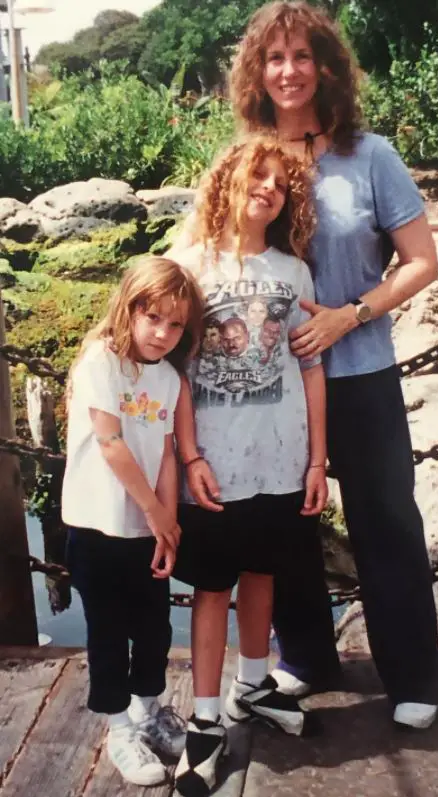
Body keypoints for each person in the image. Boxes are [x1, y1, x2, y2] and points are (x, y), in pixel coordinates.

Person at [229, 0, 438, 729]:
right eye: (274, 58)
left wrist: (350, 313)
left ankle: (413, 675)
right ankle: (307, 659)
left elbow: (422, 263)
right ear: (258, 72)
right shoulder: (249, 160)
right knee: (288, 528)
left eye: (301, 56)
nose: (288, 71)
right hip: (275, 387)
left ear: (325, 67)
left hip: (364, 376)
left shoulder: (371, 156)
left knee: (386, 525)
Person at [170, 134, 329, 796]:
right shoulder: (189, 266)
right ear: (226, 183)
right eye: (255, 174)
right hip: (215, 466)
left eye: (280, 180)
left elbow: (312, 367)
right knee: (213, 589)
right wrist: (189, 455)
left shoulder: (295, 272)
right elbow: (171, 374)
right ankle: (205, 723)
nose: (267, 186)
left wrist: (318, 459)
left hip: (282, 460)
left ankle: (254, 681)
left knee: (264, 573)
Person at [62, 256, 204, 786]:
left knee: (154, 628)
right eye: (154, 319)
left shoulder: (167, 378)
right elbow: (111, 442)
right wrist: (152, 508)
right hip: (98, 525)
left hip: (146, 527)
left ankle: (150, 711)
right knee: (108, 630)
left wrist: (166, 523)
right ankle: (119, 726)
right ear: (130, 308)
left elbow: (165, 451)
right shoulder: (101, 362)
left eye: (175, 325)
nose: (163, 334)